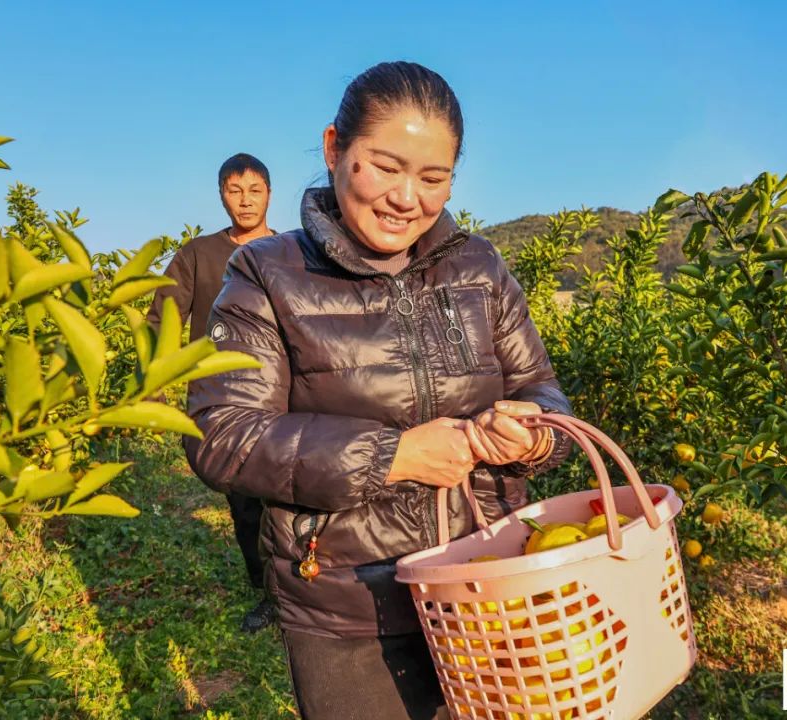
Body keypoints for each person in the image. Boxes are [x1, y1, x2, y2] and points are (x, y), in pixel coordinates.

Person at [185, 62, 573, 720]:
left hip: (487, 583)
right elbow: (223, 437)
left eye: (433, 178)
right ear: (335, 148)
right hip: (348, 606)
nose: (407, 198)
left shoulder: (478, 266)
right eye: (385, 166)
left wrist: (533, 433)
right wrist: (392, 455)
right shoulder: (266, 274)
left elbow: (544, 393)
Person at [147, 152, 278, 634]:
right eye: (234, 190)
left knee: (291, 495)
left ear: (269, 193)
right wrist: (154, 385)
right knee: (244, 501)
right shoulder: (197, 254)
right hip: (222, 400)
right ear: (221, 194)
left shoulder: (291, 249)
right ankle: (267, 592)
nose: (245, 201)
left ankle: (301, 587)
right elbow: (163, 319)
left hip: (285, 397)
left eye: (254, 190)